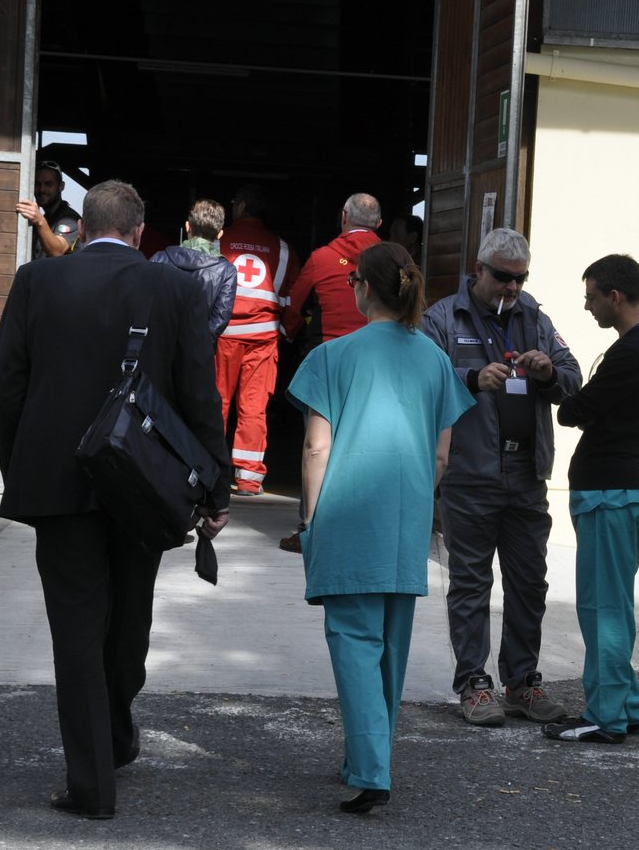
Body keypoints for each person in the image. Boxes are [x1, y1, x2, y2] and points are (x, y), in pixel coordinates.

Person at [0, 180, 231, 819]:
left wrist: (19, 469)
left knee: (75, 630)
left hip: (58, 480)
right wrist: (215, 485)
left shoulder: (36, 281)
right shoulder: (175, 288)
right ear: (137, 230)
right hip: (144, 482)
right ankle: (118, 727)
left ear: (83, 226)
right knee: (129, 618)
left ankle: (93, 781)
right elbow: (198, 394)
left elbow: (9, 384)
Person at [287, 241, 473, 814]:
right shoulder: (435, 359)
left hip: (347, 516)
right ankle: (370, 758)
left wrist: (308, 517)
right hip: (405, 520)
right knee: (391, 648)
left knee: (353, 643)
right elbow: (442, 456)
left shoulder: (332, 357)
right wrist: (419, 497)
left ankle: (371, 771)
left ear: (361, 288)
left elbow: (318, 447)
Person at [420, 227, 581, 726]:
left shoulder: (536, 318)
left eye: (520, 279)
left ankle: (522, 683)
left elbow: (573, 380)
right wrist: (470, 378)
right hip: (469, 476)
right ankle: (474, 683)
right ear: (479, 269)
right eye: (503, 278)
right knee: (471, 584)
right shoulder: (443, 318)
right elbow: (420, 381)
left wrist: (547, 373)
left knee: (530, 583)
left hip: (526, 475)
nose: (511, 288)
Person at [544, 254, 639, 745]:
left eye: (592, 295)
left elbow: (577, 409)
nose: (588, 305)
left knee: (601, 609)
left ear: (616, 296)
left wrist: (550, 384)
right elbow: (590, 408)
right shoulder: (638, 346)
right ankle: (625, 704)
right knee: (611, 605)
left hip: (609, 497)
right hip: (617, 493)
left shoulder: (632, 351)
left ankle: (606, 716)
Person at [217, 183, 297, 497]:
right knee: (254, 407)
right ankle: (249, 479)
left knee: (217, 403)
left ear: (240, 207)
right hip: (263, 339)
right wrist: (288, 330)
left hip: (223, 336)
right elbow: (291, 298)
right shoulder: (284, 249)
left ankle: (209, 473)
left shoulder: (220, 241)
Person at [281, 193, 384, 347]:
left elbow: (296, 304)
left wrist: (288, 334)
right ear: (379, 223)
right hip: (377, 350)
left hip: (329, 351)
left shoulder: (320, 258)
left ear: (344, 216)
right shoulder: (394, 259)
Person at [151, 198, 238, 345]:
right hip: (197, 354)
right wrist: (198, 348)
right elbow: (220, 319)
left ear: (187, 226)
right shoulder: (227, 271)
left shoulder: (159, 258)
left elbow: (144, 303)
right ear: (219, 235)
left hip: (157, 346)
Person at [15, 160, 81, 259]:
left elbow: (57, 251)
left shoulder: (70, 220)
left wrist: (40, 221)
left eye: (48, 184)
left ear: (61, 186)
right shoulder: (46, 218)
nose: (42, 189)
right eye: (37, 184)